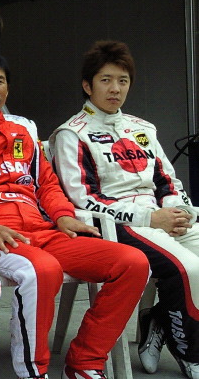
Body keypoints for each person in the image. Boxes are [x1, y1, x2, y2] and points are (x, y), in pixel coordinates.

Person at [0, 51, 149, 379]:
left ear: (8, 87)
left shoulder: (24, 127)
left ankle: (86, 362)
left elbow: (46, 181)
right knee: (42, 269)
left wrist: (62, 215)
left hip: (42, 230)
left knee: (132, 263)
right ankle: (33, 371)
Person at [50, 40, 199, 378]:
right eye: (105, 80)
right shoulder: (72, 134)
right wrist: (151, 218)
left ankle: (159, 319)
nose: (115, 89)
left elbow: (167, 181)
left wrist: (179, 213)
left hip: (160, 218)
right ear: (87, 85)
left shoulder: (143, 128)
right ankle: (190, 351)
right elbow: (82, 199)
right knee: (187, 267)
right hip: (115, 225)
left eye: (122, 80)